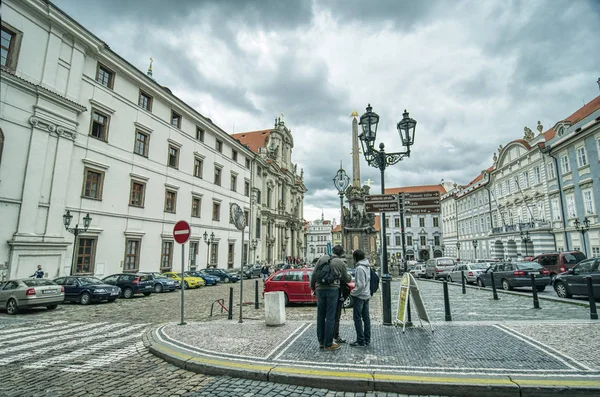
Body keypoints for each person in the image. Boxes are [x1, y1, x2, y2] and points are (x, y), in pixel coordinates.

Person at [310, 244, 351, 351]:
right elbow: (347, 279)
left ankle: (321, 342)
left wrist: (313, 288)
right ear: (341, 253)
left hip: (319, 288)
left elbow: (314, 274)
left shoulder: (322, 258)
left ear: (332, 250)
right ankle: (328, 343)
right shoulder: (340, 262)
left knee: (320, 315)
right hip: (333, 289)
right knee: (330, 316)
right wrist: (349, 276)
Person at [350, 249, 371, 347]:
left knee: (357, 318)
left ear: (356, 258)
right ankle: (367, 339)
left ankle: (360, 340)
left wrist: (353, 292)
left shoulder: (359, 268)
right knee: (366, 319)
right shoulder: (367, 266)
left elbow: (361, 285)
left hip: (360, 296)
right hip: (367, 295)